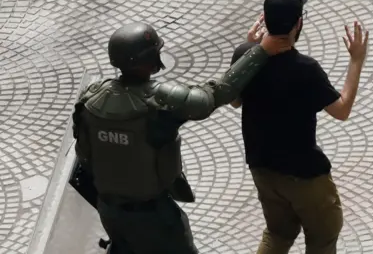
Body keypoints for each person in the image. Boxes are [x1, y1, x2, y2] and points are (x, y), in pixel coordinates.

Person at [70, 21, 290, 254]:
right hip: (155, 216)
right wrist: (260, 51)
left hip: (110, 211)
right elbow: (217, 93)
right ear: (151, 58)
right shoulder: (159, 101)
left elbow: (84, 155)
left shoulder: (91, 99)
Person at [229, 0, 370, 254]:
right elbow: (341, 111)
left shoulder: (245, 55)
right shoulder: (306, 70)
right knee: (323, 238)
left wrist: (248, 50)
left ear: (265, 19)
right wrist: (356, 61)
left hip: (263, 169)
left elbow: (235, 100)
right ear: (299, 23)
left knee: (278, 234)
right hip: (304, 176)